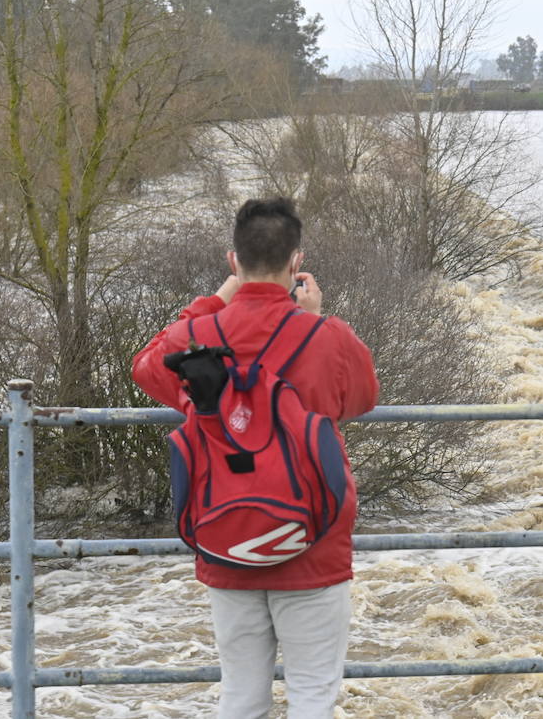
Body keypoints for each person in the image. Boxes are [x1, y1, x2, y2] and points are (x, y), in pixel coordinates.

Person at [132, 197, 379, 718]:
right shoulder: (327, 337)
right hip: (312, 539)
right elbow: (360, 400)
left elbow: (147, 366)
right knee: (314, 692)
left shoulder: (194, 339)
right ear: (296, 263)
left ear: (233, 261)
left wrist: (214, 302)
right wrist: (312, 319)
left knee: (241, 695)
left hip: (226, 537)